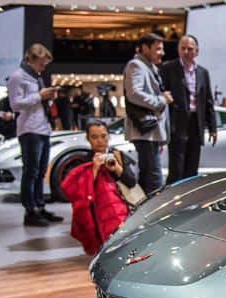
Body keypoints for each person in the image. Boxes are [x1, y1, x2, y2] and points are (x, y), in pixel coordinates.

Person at [8, 43, 65, 227]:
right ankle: (30, 210)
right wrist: (39, 96)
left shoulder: (36, 77)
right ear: (30, 60)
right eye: (40, 64)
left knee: (40, 172)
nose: (42, 68)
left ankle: (40, 206)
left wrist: (48, 98)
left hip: (43, 128)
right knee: (31, 171)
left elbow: (37, 103)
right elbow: (15, 104)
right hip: (29, 129)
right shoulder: (18, 77)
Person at [61, 120, 137, 255]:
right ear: (88, 139)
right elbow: (79, 193)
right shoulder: (83, 161)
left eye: (103, 136)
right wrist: (94, 169)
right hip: (98, 218)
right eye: (94, 137)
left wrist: (117, 169)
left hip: (123, 212)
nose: (100, 141)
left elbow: (131, 182)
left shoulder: (118, 155)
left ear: (109, 136)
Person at [159, 34, 217, 185]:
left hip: (195, 124)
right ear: (178, 50)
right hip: (177, 123)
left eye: (190, 49)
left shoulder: (203, 72)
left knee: (192, 167)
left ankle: (190, 200)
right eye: (182, 48)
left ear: (196, 51)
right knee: (176, 168)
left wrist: (212, 127)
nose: (186, 52)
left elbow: (208, 101)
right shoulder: (168, 68)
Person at [124, 32, 173, 194]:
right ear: (145, 48)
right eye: (158, 49)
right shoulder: (136, 65)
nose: (162, 53)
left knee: (148, 178)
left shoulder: (148, 67)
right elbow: (134, 93)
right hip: (144, 131)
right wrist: (160, 100)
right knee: (154, 179)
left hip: (150, 133)